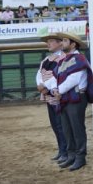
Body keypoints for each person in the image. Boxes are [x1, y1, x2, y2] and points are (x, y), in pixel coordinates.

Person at [44, 33, 93, 171]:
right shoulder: (65, 60)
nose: (62, 43)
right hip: (65, 98)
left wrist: (57, 90)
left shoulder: (79, 58)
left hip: (76, 98)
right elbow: (55, 78)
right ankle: (71, 155)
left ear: (73, 44)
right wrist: (55, 88)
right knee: (67, 128)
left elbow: (73, 79)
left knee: (77, 128)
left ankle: (80, 157)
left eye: (65, 41)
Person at [36, 34, 68, 162]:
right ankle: (61, 150)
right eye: (47, 42)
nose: (48, 44)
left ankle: (65, 151)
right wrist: (40, 85)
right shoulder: (46, 60)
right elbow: (39, 74)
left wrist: (45, 86)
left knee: (61, 125)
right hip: (49, 95)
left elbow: (57, 76)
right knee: (55, 125)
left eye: (51, 41)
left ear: (60, 43)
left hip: (58, 95)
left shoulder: (63, 58)